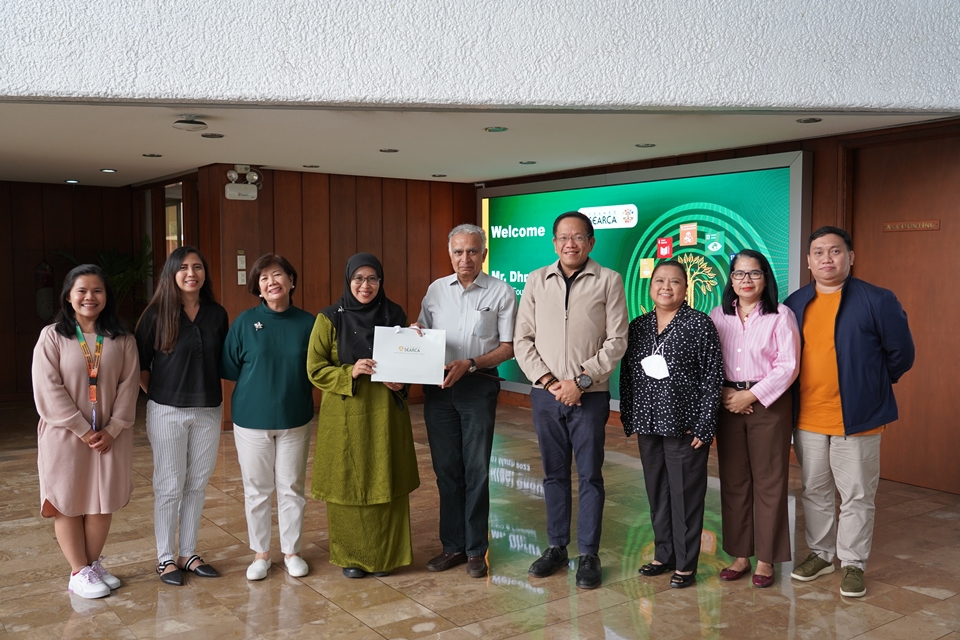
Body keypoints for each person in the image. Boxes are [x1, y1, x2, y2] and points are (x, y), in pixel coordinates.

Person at [785, 226, 914, 598]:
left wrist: (870, 385)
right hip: (807, 418)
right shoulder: (796, 303)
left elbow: (902, 353)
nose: (827, 259)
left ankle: (853, 563)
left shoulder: (877, 299)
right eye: (819, 252)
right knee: (815, 490)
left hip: (858, 418)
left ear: (851, 257)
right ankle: (821, 554)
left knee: (857, 494)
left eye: (835, 251)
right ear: (809, 261)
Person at [514, 211, 628, 590]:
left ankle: (589, 553)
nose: (570, 244)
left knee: (591, 476)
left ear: (591, 242)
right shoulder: (535, 280)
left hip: (590, 396)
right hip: (546, 397)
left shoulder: (609, 280)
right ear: (554, 243)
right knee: (554, 475)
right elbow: (522, 340)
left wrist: (580, 381)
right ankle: (557, 548)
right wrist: (549, 382)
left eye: (578, 237)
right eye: (563, 237)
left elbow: (617, 340)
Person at [307, 253, 420, 578]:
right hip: (345, 415)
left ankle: (387, 557)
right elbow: (315, 369)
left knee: (387, 479)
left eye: (372, 279)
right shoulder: (329, 318)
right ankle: (351, 558)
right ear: (347, 280)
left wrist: (403, 375)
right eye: (358, 278)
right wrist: (350, 370)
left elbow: (407, 363)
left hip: (386, 414)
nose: (365, 285)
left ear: (381, 282)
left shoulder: (394, 314)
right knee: (348, 482)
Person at [414, 224, 517, 578]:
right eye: (458, 251)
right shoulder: (435, 290)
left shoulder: (501, 292)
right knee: (446, 471)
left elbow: (508, 346)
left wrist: (471, 363)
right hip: (439, 389)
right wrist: (413, 334)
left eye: (472, 251)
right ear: (450, 254)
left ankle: (476, 549)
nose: (465, 258)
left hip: (478, 387)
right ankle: (452, 547)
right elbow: (422, 330)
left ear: (483, 254)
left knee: (476, 470)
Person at [32, 264, 140, 599]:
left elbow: (129, 386)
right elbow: (47, 388)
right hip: (65, 436)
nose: (89, 297)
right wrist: (82, 429)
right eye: (82, 290)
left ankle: (90, 567)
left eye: (97, 291)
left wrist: (113, 429)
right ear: (68, 296)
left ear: (106, 297)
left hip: (110, 439)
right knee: (67, 501)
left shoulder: (122, 339)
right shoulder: (53, 336)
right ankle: (78, 570)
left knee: (100, 501)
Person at [619, 260, 723, 589]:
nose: (666, 286)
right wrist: (628, 416)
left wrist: (706, 424)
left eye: (675, 281)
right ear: (650, 287)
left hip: (686, 425)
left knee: (685, 495)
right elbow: (628, 375)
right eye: (660, 280)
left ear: (685, 288)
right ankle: (663, 554)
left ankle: (686, 563)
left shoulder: (699, 324)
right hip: (649, 422)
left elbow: (712, 377)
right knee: (657, 493)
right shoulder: (638, 326)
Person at [135, 246, 229, 586]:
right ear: (172, 273)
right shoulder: (155, 314)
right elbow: (141, 366)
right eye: (184, 267)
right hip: (166, 412)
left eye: (198, 267)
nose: (192, 273)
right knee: (169, 485)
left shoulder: (217, 314)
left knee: (197, 484)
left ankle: (188, 553)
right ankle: (164, 558)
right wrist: (163, 396)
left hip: (208, 409)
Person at [222, 254, 316, 581]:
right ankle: (261, 554)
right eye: (263, 278)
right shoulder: (245, 322)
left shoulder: (309, 323)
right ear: (257, 287)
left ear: (291, 281)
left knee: (291, 487)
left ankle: (292, 551)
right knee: (257, 489)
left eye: (278, 275)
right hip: (250, 419)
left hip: (295, 418)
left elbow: (317, 369)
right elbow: (231, 367)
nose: (271, 282)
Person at [709, 250, 799, 589]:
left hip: (768, 405)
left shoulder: (781, 316)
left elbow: (788, 366)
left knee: (769, 481)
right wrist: (725, 395)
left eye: (754, 274)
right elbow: (707, 360)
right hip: (727, 402)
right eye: (739, 274)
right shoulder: (718, 315)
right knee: (733, 481)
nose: (746, 280)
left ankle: (765, 559)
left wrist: (752, 395)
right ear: (731, 279)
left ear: (766, 278)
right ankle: (740, 555)